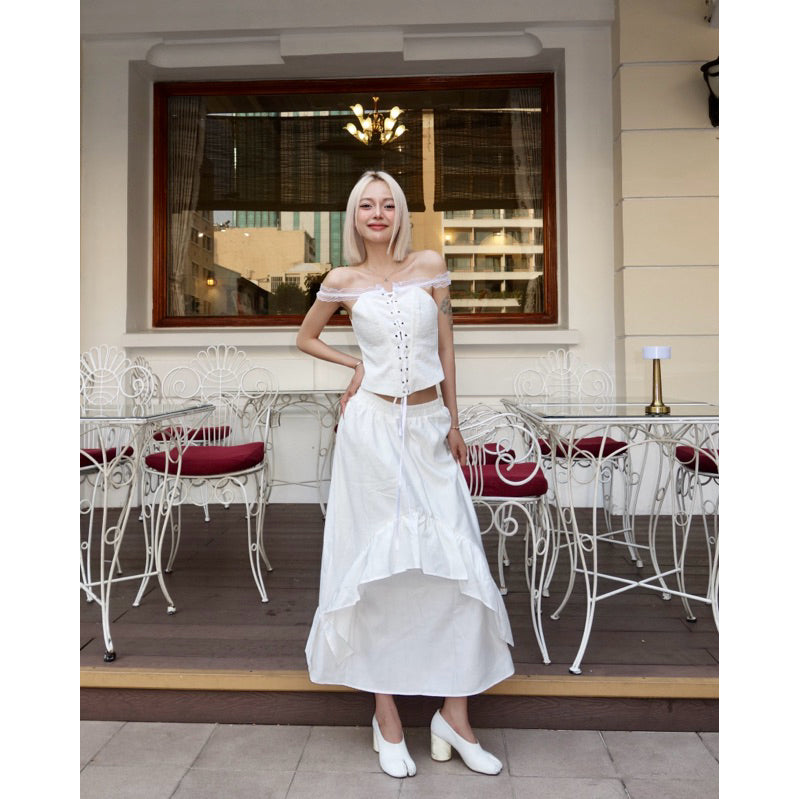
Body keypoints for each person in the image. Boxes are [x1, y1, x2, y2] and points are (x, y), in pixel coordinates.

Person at [296, 170, 514, 779]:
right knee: (376, 569)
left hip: (428, 426)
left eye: (387, 204)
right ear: (354, 216)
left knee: (457, 561)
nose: (377, 213)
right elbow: (305, 337)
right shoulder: (342, 281)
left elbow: (446, 346)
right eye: (366, 204)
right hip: (370, 433)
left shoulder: (430, 266)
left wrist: (454, 420)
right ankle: (386, 716)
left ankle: (454, 717)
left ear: (400, 214)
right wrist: (354, 366)